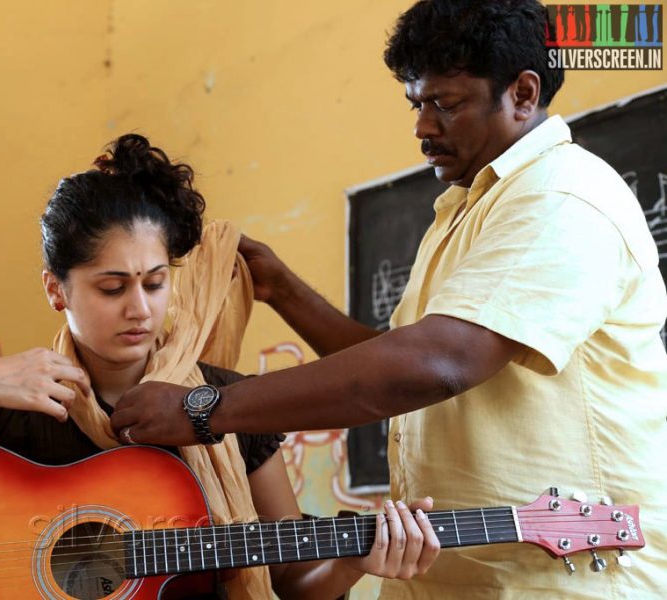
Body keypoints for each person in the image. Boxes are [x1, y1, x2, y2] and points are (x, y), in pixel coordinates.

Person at [110, 1, 667, 598]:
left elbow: (436, 363)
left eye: (444, 104)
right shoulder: (466, 211)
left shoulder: (562, 198)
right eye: (417, 104)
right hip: (451, 579)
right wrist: (281, 289)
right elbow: (399, 360)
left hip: (564, 576)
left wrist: (203, 409)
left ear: (523, 94)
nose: (423, 127)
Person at [0, 133, 440, 599]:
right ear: (56, 290)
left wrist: (354, 563)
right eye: (112, 287)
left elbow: (288, 579)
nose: (140, 308)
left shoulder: (230, 405)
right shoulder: (5, 399)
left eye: (155, 282)